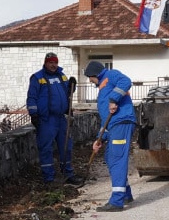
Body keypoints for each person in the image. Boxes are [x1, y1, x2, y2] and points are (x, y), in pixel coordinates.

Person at [84, 60, 136, 211]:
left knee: (116, 158)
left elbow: (126, 81)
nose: (89, 80)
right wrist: (100, 138)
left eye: (89, 77)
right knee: (109, 157)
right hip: (114, 125)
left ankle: (117, 201)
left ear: (94, 74)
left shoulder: (110, 75)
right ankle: (125, 194)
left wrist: (114, 99)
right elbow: (106, 119)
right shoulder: (103, 87)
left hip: (122, 123)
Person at [27, 52, 84, 187]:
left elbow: (67, 92)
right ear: (45, 63)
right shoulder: (38, 78)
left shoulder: (61, 76)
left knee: (66, 147)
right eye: (51, 62)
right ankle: (49, 178)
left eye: (55, 62)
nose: (53, 65)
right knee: (46, 148)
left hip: (61, 118)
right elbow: (32, 97)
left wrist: (72, 86)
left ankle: (68, 174)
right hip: (46, 119)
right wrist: (33, 114)